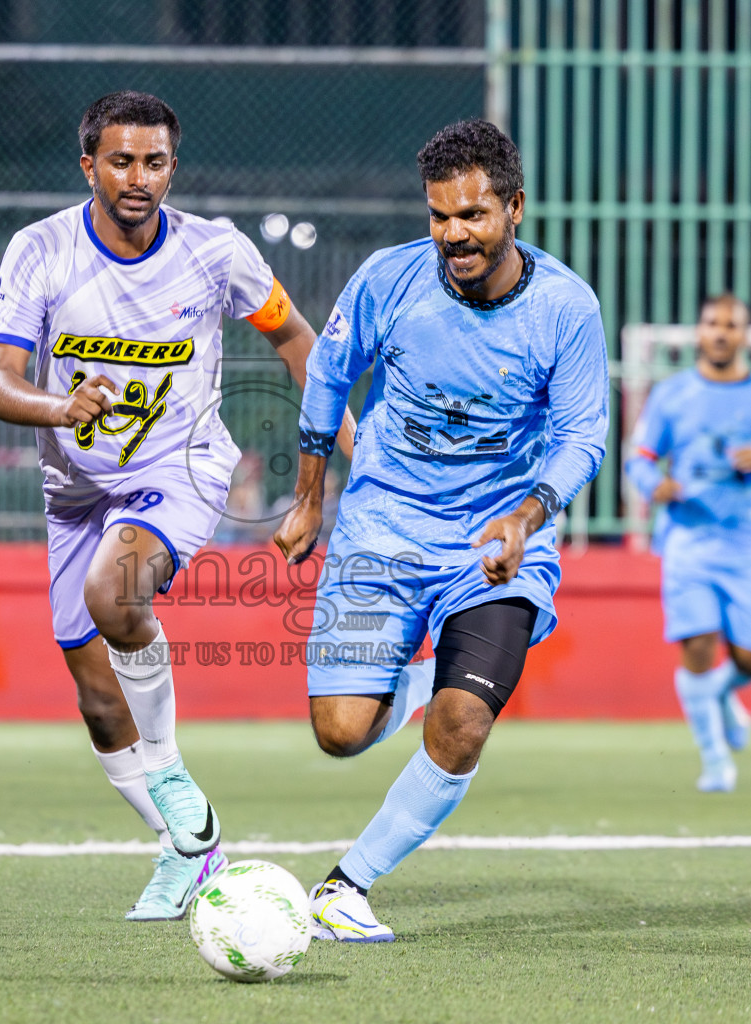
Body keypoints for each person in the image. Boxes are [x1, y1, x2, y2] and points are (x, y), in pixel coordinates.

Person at [0, 90, 355, 920]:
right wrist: (59, 407)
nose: (138, 177)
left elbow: (295, 337)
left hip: (178, 473)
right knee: (95, 694)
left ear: (172, 167)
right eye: (120, 160)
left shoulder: (214, 252)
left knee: (115, 596)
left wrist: (339, 452)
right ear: (89, 165)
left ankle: (173, 769)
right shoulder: (39, 251)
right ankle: (190, 845)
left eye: (154, 161)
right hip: (75, 493)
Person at [273, 119, 608, 942]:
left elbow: (582, 437)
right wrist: (310, 497)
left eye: (472, 215)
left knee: (464, 724)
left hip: (495, 548)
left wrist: (525, 518)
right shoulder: (391, 280)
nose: (453, 234)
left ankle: (347, 885)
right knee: (340, 733)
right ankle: (415, 684)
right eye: (439, 216)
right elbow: (328, 375)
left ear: (514, 208)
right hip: (383, 526)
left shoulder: (565, 309)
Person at [623, 294, 751, 792]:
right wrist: (651, 484)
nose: (721, 332)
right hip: (688, 541)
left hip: (747, 545)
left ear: (745, 335)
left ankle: (726, 695)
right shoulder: (672, 394)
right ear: (699, 332)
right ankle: (715, 760)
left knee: (749, 661)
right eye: (712, 323)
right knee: (698, 646)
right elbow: (638, 457)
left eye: (732, 325)